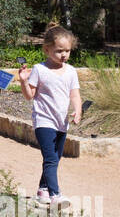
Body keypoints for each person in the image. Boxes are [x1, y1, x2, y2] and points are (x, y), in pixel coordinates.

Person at [17, 24, 82, 207]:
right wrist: (23, 81)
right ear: (47, 49)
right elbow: (30, 95)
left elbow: (75, 95)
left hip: (62, 122)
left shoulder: (71, 71)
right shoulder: (39, 69)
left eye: (67, 51)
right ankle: (55, 195)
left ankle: (42, 190)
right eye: (59, 50)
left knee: (55, 157)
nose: (64, 55)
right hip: (44, 120)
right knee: (51, 158)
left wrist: (77, 110)